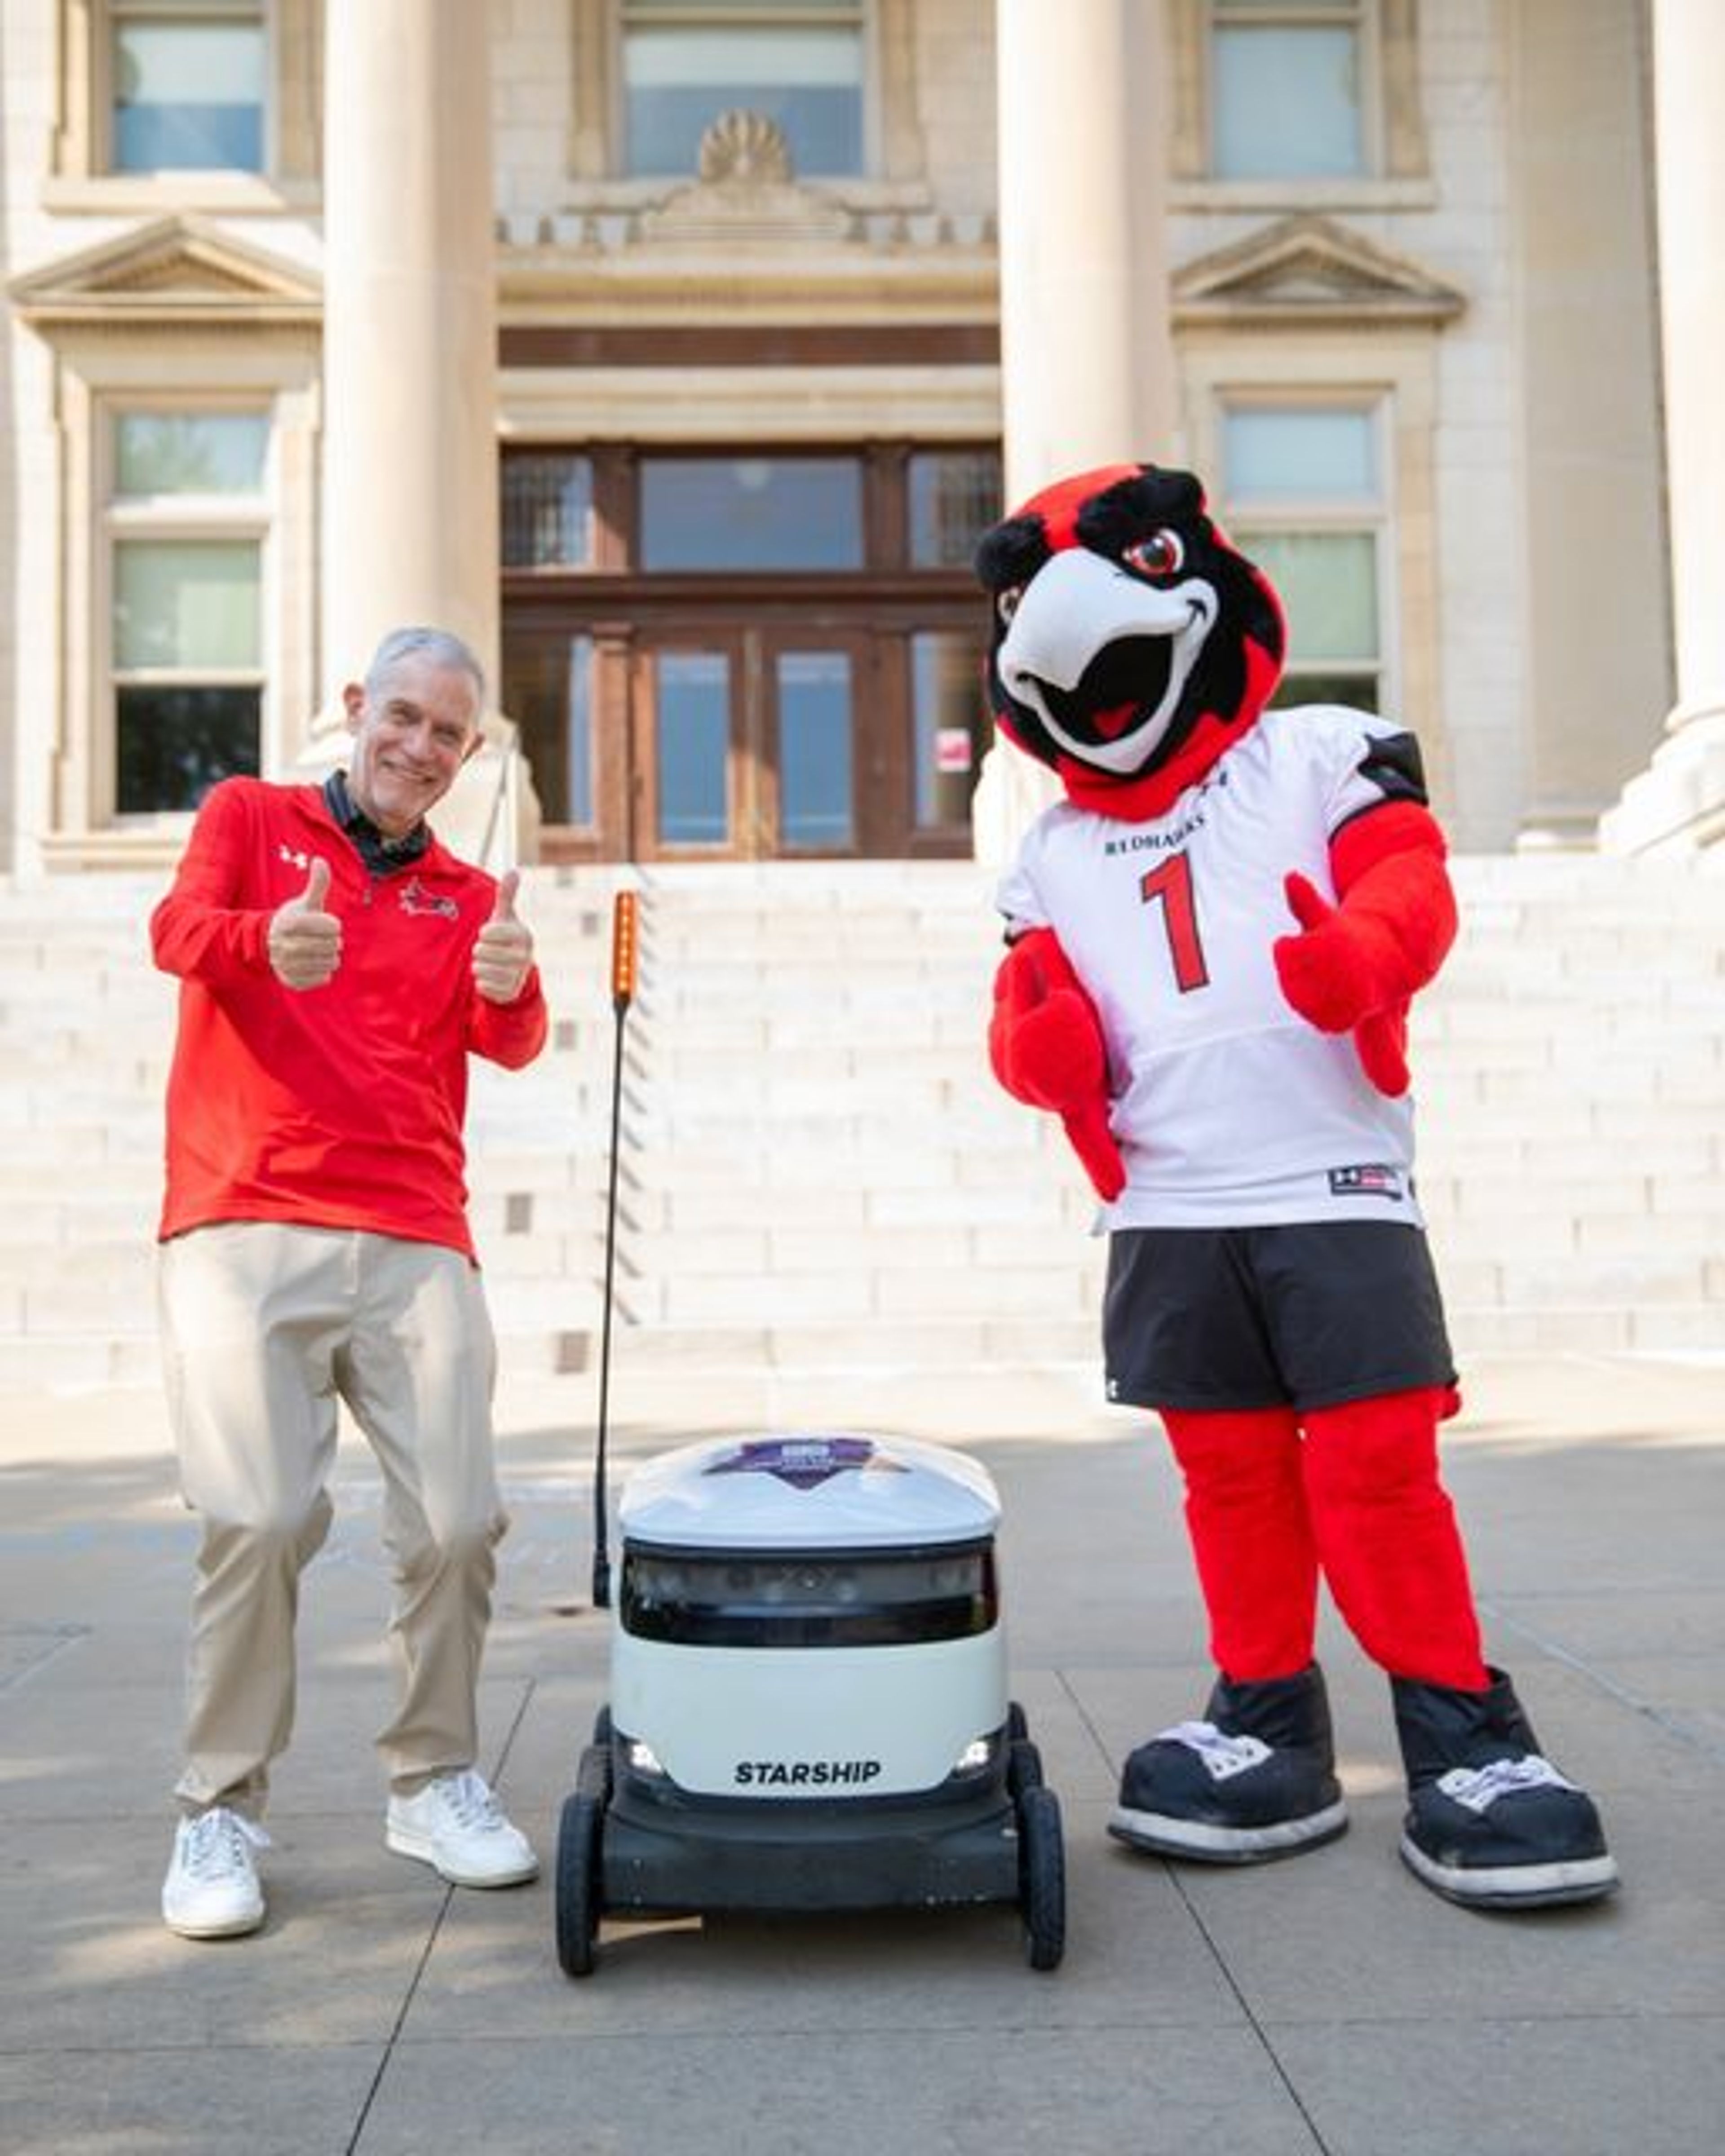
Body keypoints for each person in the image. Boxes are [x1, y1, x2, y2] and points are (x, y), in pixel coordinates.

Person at [151, 625, 548, 1940]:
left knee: (455, 1524)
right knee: (258, 1519)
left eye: (447, 733)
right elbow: (177, 931)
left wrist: (514, 978)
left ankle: (431, 1781)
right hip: (243, 1218)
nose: (419, 748)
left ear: (469, 753)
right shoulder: (250, 817)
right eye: (402, 718)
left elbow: (513, 1037)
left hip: (415, 1230)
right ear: (352, 710)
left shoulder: (466, 888)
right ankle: (218, 1806)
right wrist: (271, 942)